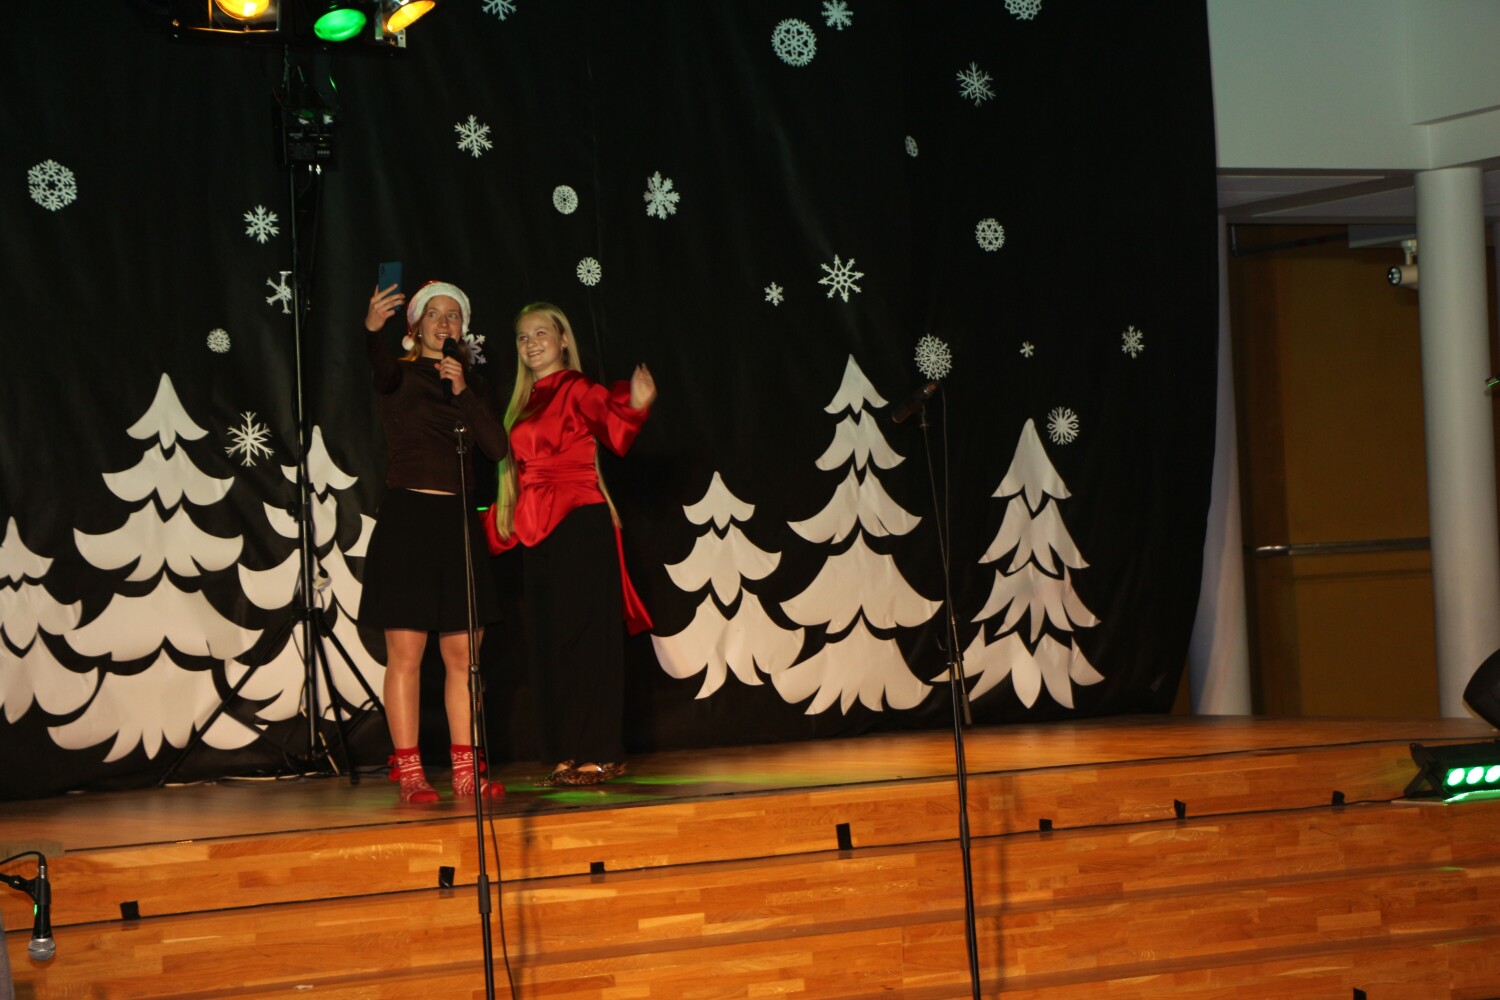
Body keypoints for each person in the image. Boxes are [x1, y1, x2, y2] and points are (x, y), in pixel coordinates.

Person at [483, 302, 655, 786]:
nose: (531, 343)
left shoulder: (576, 387)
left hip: (579, 520)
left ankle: (600, 751)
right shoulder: (520, 402)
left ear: (563, 340)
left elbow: (613, 426)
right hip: (537, 528)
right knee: (550, 642)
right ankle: (566, 751)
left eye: (541, 333)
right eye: (523, 337)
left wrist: (637, 405)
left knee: (588, 639)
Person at [359, 279, 508, 804]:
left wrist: (463, 390)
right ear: (416, 326)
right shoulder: (397, 375)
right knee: (406, 654)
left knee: (464, 655)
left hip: (457, 522)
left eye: (453, 315)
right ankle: (411, 772)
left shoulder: (470, 383)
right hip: (408, 521)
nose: (444, 323)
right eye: (434, 314)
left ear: (462, 327)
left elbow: (496, 448)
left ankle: (466, 771)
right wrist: (372, 332)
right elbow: (379, 371)